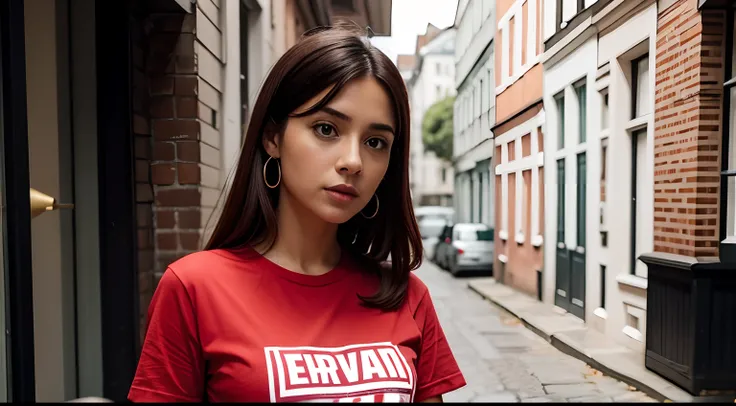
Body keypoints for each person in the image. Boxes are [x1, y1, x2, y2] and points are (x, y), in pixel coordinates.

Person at [128, 24, 466, 403]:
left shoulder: (405, 296)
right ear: (273, 137)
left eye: (375, 142)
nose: (353, 161)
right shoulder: (194, 288)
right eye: (326, 128)